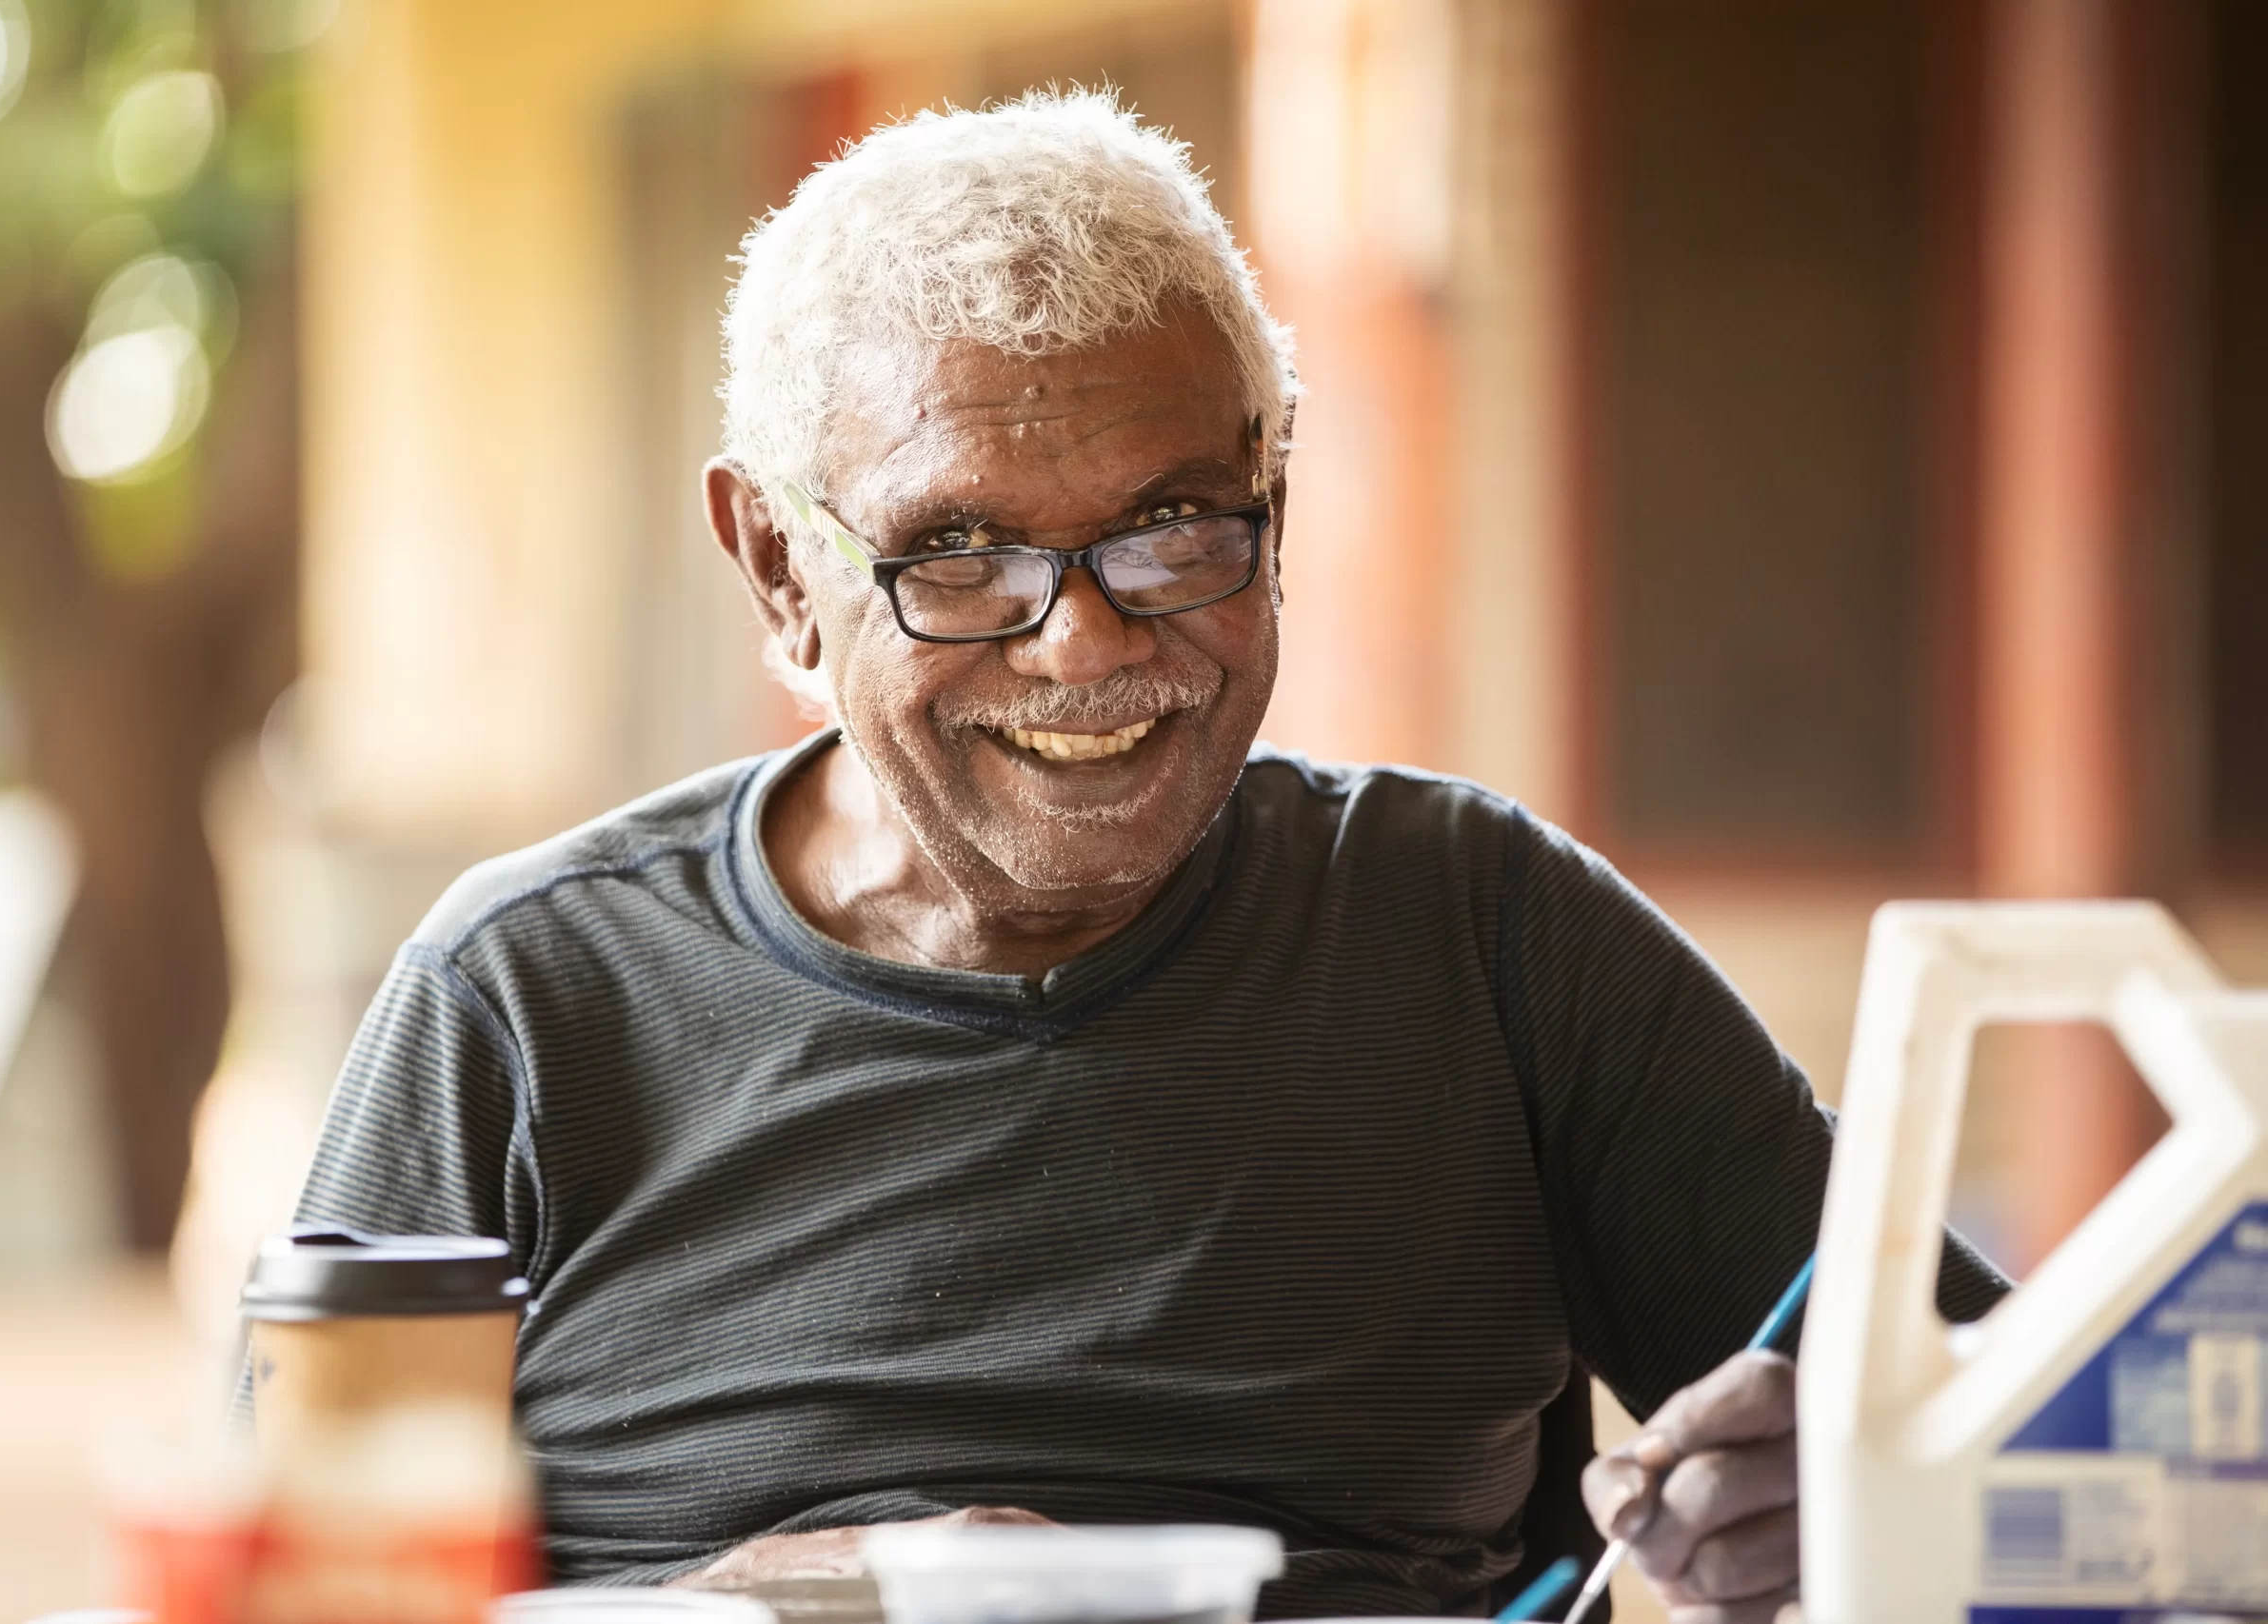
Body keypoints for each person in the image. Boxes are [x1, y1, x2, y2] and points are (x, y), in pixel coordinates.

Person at [287, 91, 2004, 1624]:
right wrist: (711, 1614)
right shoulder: (526, 1000)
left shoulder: (1485, 935)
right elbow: (288, 1590)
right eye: (958, 555)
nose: (1087, 646)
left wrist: (1896, 1492)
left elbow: (2063, 1437)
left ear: (1276, 501)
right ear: (776, 571)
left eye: (1176, 529)